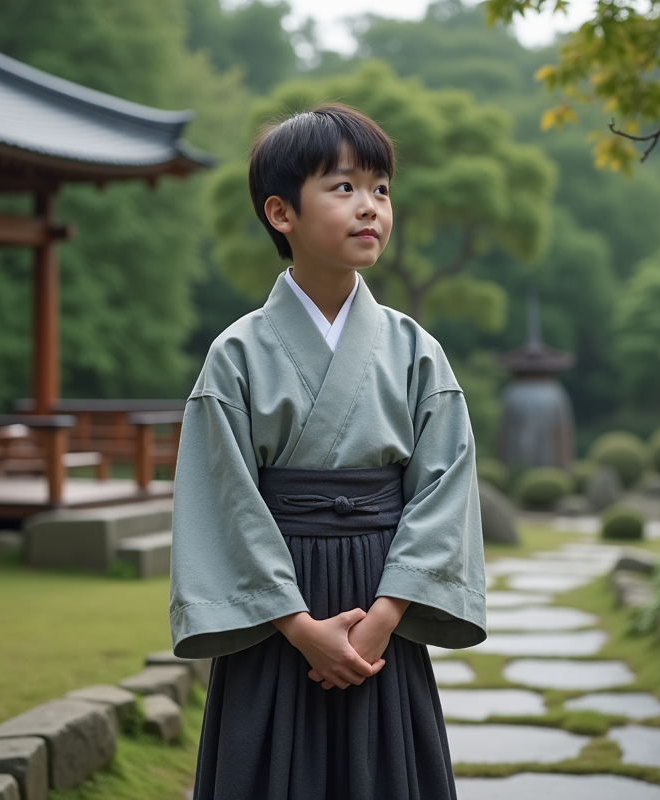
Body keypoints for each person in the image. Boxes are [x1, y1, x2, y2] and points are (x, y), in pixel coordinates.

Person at [169, 103, 487, 800]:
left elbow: (445, 488)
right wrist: (299, 626)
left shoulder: (415, 351)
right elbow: (220, 497)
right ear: (281, 213)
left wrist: (384, 619)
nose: (370, 207)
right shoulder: (237, 355)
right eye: (344, 188)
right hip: (279, 614)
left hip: (384, 600)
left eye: (381, 189)